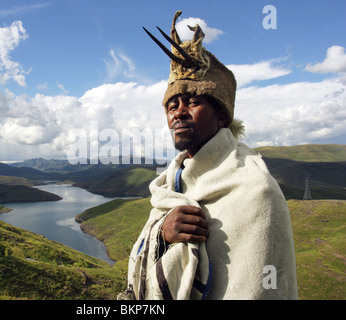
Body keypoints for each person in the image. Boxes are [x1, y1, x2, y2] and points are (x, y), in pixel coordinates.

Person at [118, 11, 298, 300]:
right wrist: (162, 233)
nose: (178, 112)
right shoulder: (170, 188)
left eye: (192, 102)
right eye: (171, 105)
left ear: (221, 116)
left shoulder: (256, 191)